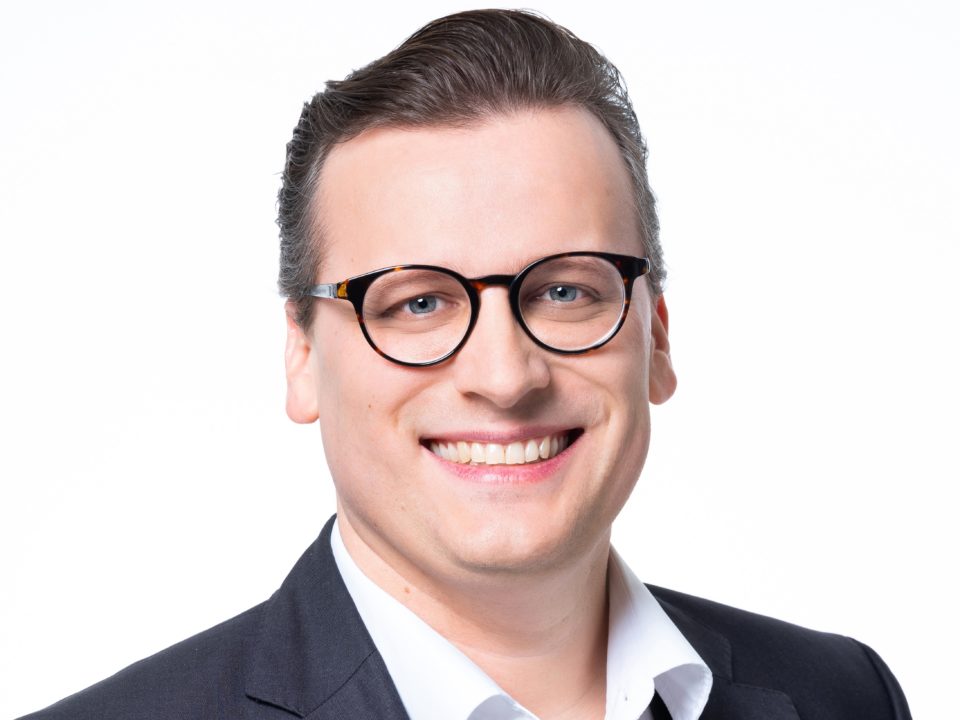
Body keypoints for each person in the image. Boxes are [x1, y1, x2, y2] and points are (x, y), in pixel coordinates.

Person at [20, 9, 911, 720]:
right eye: (418, 302)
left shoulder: (845, 696)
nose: (506, 375)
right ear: (302, 354)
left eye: (564, 290)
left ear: (658, 337)